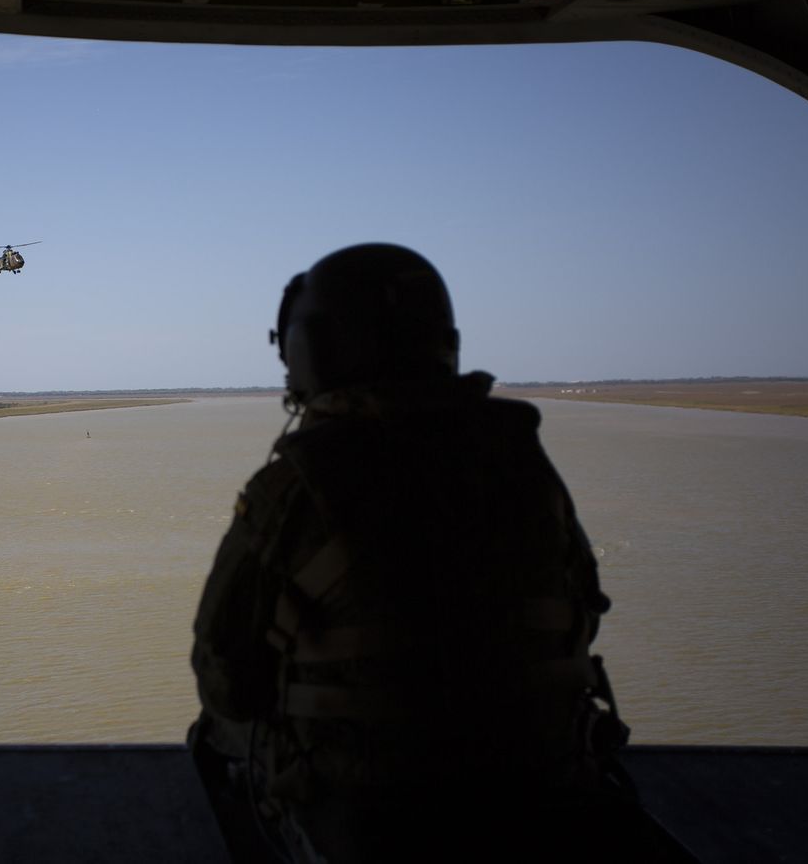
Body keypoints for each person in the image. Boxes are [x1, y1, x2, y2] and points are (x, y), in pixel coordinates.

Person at [189, 244, 633, 862]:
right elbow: (584, 608)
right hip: (543, 788)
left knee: (210, 740)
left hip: (378, 820)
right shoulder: (522, 460)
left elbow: (225, 678)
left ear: (310, 350)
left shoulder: (298, 486)